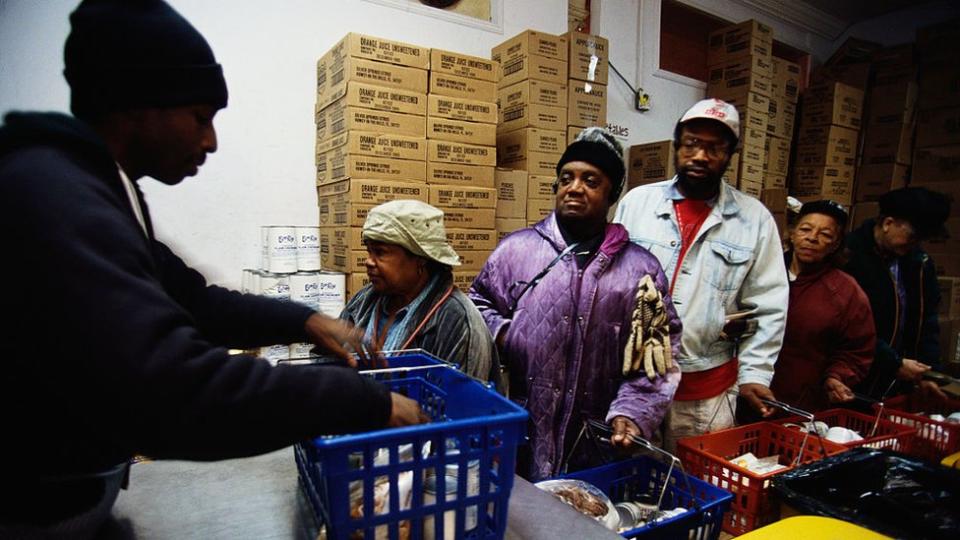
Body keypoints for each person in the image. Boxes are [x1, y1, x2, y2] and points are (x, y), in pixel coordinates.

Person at [0, 1, 421, 536]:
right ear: (135, 105)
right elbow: (170, 391)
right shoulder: (53, 197)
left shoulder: (101, 189)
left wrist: (302, 320)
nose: (211, 141)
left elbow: (193, 301)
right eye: (201, 117)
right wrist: (361, 399)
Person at [469, 127, 681, 480]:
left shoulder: (641, 271)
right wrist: (506, 333)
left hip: (598, 442)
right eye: (566, 178)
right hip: (522, 432)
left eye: (591, 181)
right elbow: (477, 306)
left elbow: (658, 354)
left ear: (611, 194)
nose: (575, 188)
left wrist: (632, 411)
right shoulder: (516, 251)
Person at [613, 99, 789, 451]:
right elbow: (613, 283)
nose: (700, 156)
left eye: (715, 148)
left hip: (706, 394)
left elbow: (768, 307)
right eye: (692, 143)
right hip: (637, 383)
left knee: (696, 488)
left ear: (730, 155)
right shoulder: (638, 203)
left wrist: (755, 374)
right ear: (678, 146)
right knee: (632, 483)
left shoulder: (754, 220)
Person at [340, 200, 499, 381]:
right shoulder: (364, 301)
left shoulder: (457, 321)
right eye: (369, 251)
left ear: (421, 259)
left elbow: (461, 402)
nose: (369, 261)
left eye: (380, 252)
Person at [844, 187, 951, 400]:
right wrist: (891, 362)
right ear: (888, 224)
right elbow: (845, 327)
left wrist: (929, 373)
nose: (916, 244)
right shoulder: (848, 257)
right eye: (912, 237)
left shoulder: (919, 263)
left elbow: (927, 321)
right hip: (853, 378)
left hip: (897, 382)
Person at [769, 200, 875, 414]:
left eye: (825, 234)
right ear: (792, 233)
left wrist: (837, 376)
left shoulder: (845, 291)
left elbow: (857, 349)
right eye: (805, 229)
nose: (812, 238)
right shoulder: (764, 273)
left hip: (802, 404)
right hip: (748, 394)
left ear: (835, 244)